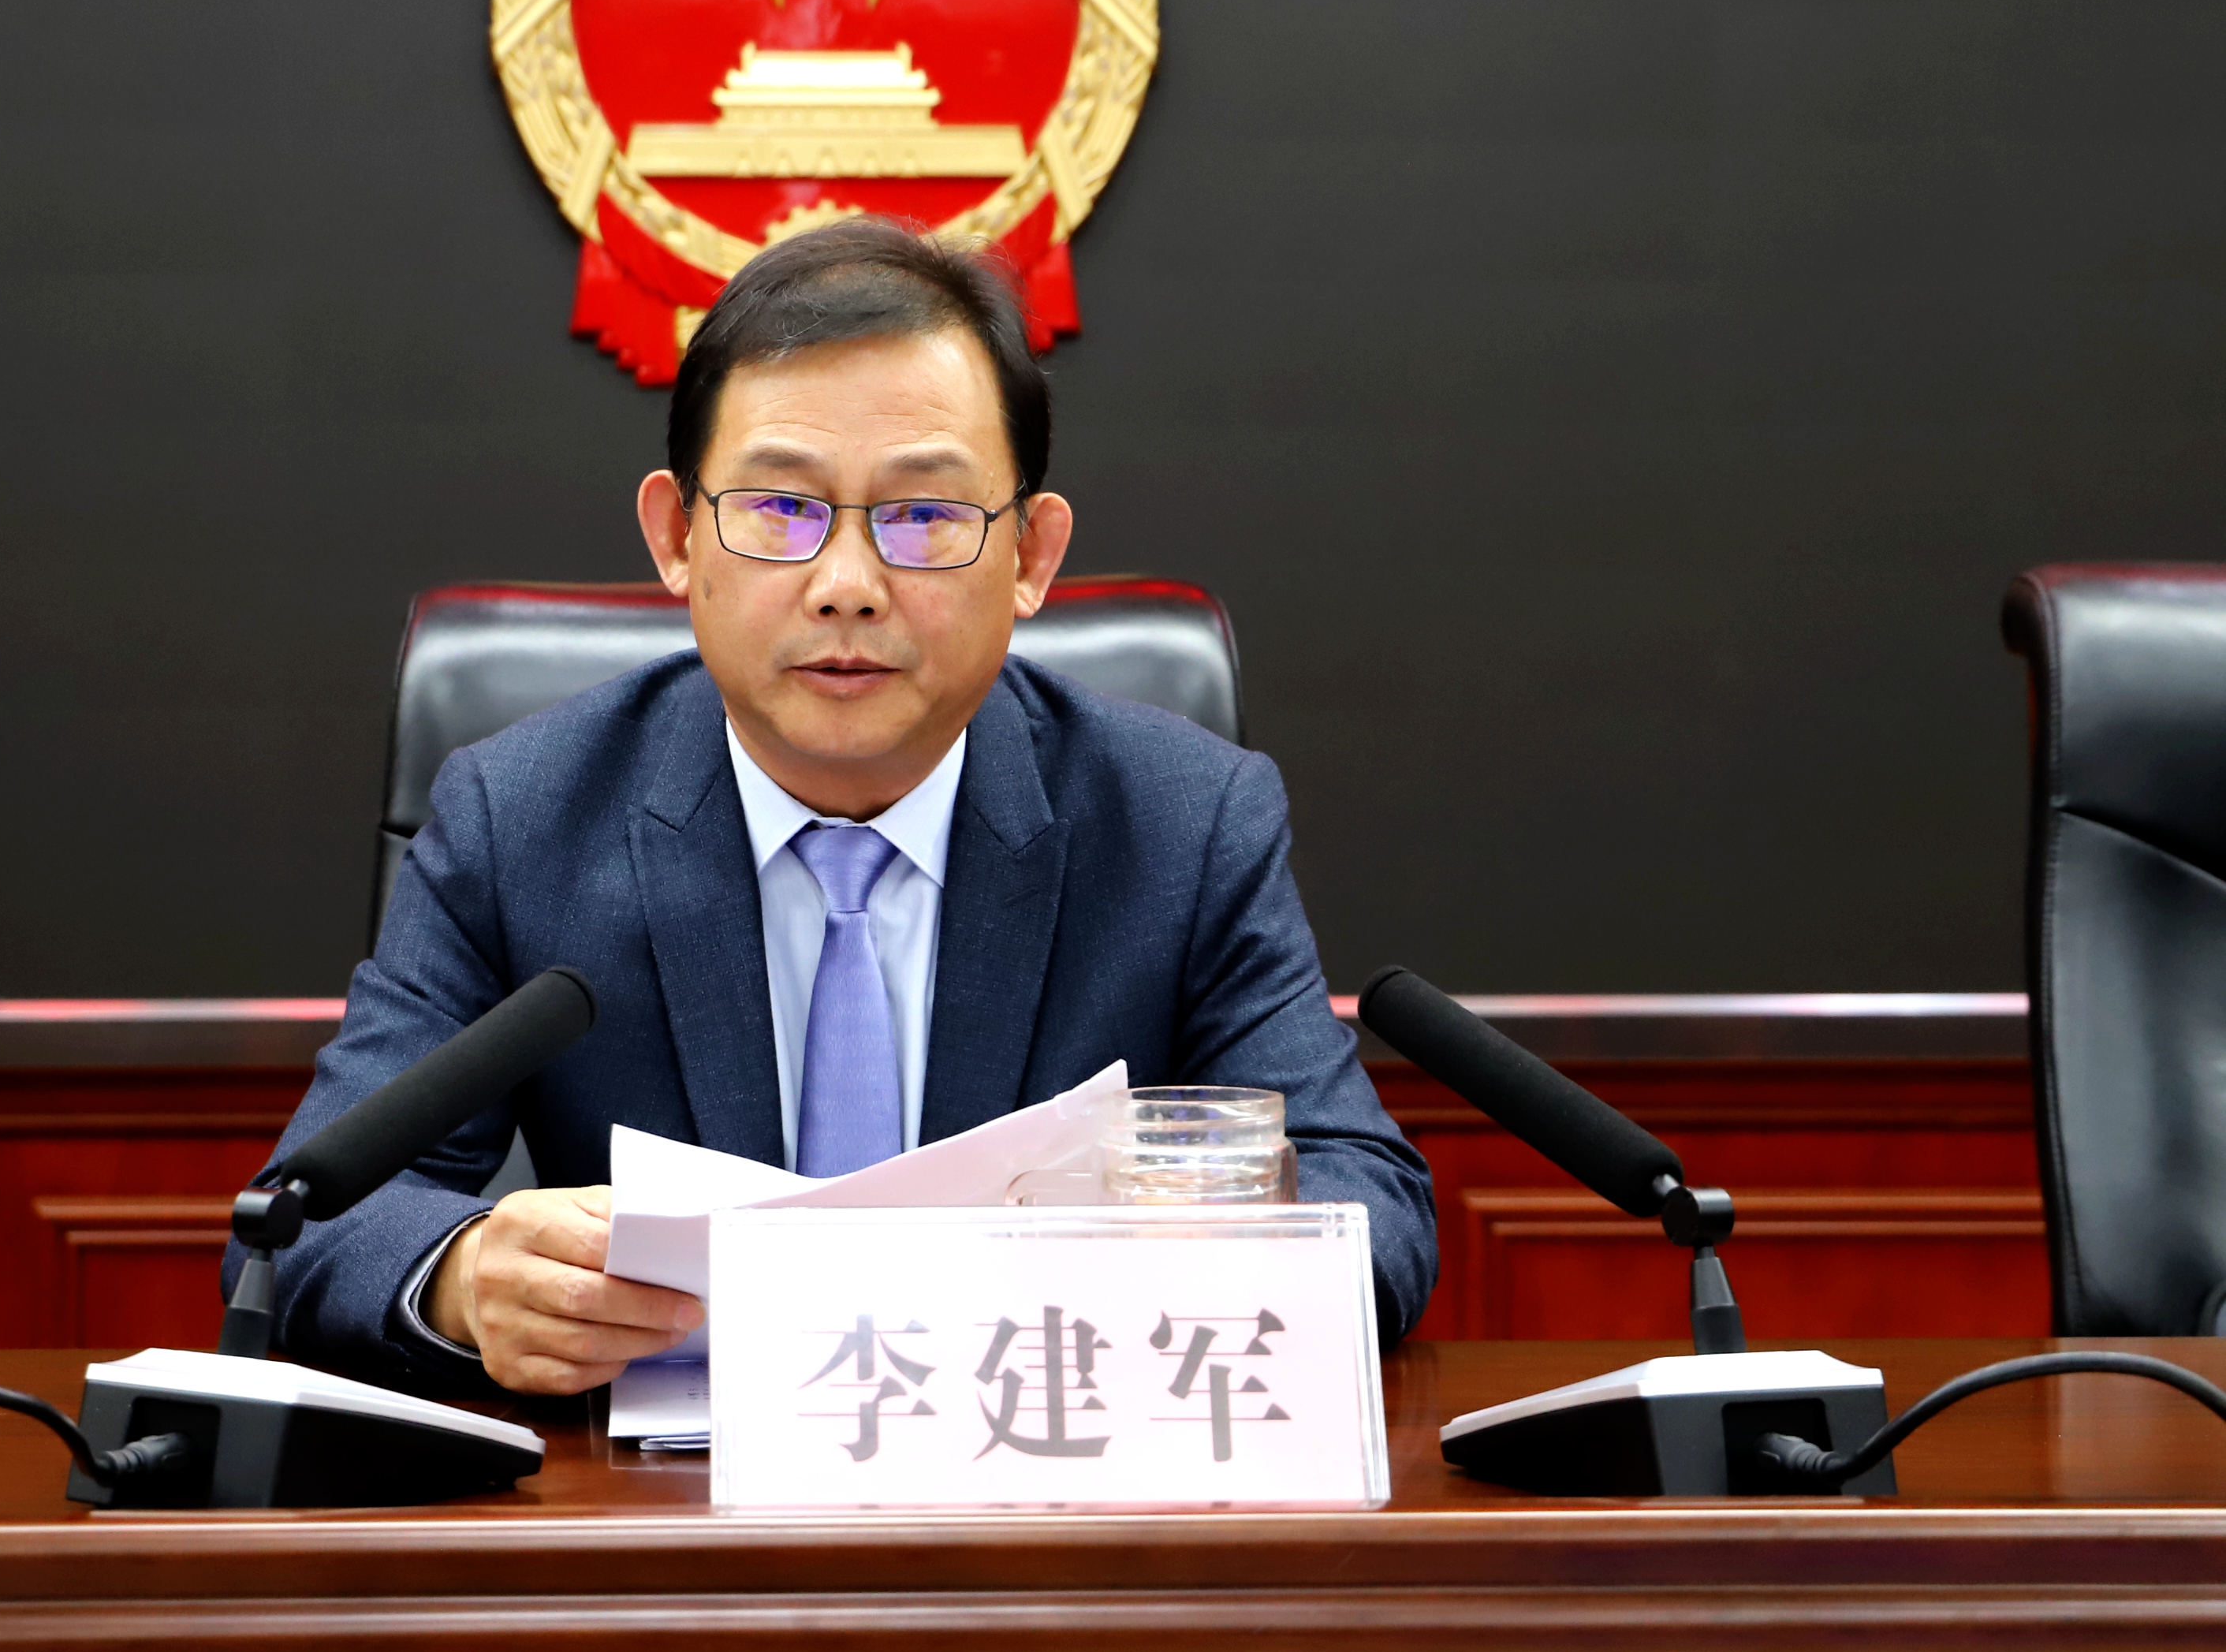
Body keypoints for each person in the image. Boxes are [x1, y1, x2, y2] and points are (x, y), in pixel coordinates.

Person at [247, 218, 1435, 1395]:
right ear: (675, 536)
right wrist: (463, 1279)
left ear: (1031, 557)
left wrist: (1218, 1254)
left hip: (1044, 1473)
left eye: (924, 515)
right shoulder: (520, 820)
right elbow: (304, 1225)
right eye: (780, 509)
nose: (848, 587)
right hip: (659, 1498)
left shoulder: (1182, 823)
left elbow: (1369, 1206)